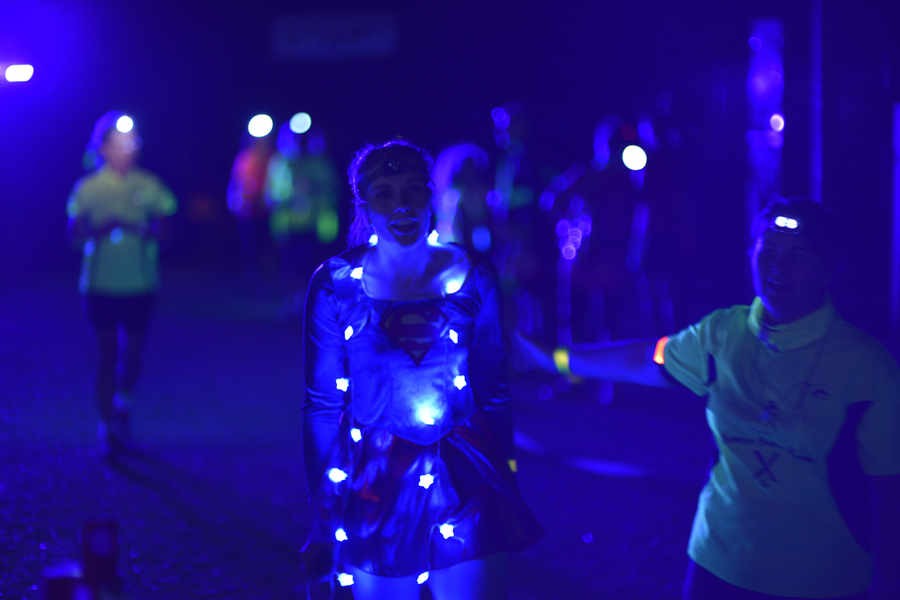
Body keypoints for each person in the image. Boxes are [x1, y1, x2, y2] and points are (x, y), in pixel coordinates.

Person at [516, 197, 900, 599]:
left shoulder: (867, 369)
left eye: (798, 255)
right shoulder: (722, 334)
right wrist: (553, 358)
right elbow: (646, 358)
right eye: (767, 249)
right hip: (719, 563)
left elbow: (888, 493)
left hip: (821, 578)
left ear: (827, 267)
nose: (777, 267)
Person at [302, 139, 540, 599]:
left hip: (464, 472)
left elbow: (492, 389)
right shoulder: (336, 285)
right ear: (363, 204)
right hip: (375, 478)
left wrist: (504, 472)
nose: (401, 206)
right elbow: (321, 403)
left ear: (431, 196)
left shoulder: (473, 275)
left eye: (413, 191)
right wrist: (322, 509)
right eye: (385, 193)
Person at [66, 110, 177, 456]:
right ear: (103, 147)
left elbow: (167, 229)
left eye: (131, 142)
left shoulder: (150, 185)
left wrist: (144, 230)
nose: (126, 149)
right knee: (105, 353)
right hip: (99, 285)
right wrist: (99, 229)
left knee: (133, 352)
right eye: (118, 142)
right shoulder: (88, 188)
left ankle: (123, 400)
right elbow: (73, 233)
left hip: (140, 284)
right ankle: (106, 423)